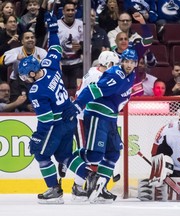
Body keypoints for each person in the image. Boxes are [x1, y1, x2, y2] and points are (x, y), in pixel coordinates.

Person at [17, 12, 89, 204]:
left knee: (41, 154)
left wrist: (37, 137)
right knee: (66, 156)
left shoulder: (36, 91)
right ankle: (89, 179)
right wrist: (54, 29)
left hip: (56, 124)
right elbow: (56, 47)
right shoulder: (49, 66)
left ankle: (54, 190)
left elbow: (46, 120)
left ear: (32, 73)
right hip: (69, 120)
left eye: (25, 76)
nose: (24, 79)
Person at [62, 48, 138, 203]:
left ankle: (100, 188)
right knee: (94, 154)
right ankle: (67, 159)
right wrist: (78, 105)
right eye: (126, 61)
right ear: (120, 61)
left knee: (114, 152)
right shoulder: (113, 75)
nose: (129, 64)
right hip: (97, 115)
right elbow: (92, 90)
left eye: (132, 62)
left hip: (110, 117)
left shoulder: (130, 75)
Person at [57, 1, 83, 97]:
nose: (70, 12)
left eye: (72, 10)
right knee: (61, 89)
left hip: (76, 63)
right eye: (68, 10)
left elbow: (86, 43)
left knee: (75, 89)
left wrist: (81, 47)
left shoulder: (81, 24)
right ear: (63, 11)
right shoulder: (57, 24)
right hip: (60, 64)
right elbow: (51, 43)